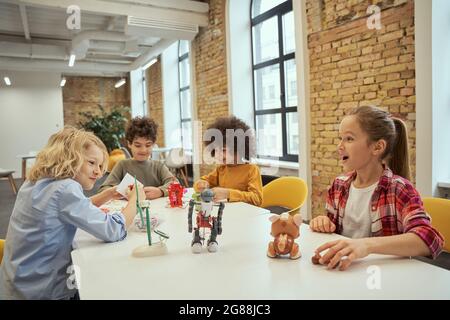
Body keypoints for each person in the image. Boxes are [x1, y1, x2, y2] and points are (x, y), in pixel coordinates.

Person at [0, 127, 145, 299]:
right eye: (92, 163)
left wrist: (107, 194)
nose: (99, 172)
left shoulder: (36, 181)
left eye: (100, 166)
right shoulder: (65, 188)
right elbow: (113, 229)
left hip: (16, 283)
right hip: (42, 291)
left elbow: (70, 209)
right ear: (69, 158)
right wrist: (136, 199)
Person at [309, 106, 444, 271]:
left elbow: (429, 240)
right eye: (340, 138)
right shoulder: (338, 185)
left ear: (377, 147)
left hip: (385, 277)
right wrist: (323, 223)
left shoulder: (400, 189)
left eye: (349, 139)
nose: (340, 146)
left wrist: (366, 245)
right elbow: (333, 228)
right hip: (345, 271)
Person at [193, 116, 263, 206]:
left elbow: (257, 199)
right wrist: (200, 184)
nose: (218, 155)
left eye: (224, 150)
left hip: (245, 215)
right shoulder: (221, 169)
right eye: (216, 150)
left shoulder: (252, 170)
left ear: (239, 149)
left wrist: (228, 193)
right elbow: (203, 181)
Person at [99, 117, 174, 199]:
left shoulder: (158, 166)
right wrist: (118, 192)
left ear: (153, 145)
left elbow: (175, 184)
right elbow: (103, 190)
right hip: (129, 209)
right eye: (138, 145)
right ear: (129, 144)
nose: (143, 150)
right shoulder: (122, 165)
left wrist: (161, 191)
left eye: (148, 145)